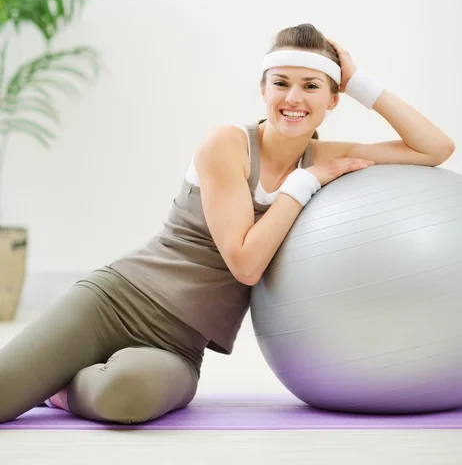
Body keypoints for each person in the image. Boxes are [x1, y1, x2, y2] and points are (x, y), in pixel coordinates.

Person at [0, 23, 455, 425]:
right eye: (281, 83)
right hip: (114, 304)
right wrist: (305, 182)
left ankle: (57, 388)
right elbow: (245, 263)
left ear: (333, 99)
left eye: (312, 86)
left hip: (178, 347)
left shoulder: (325, 155)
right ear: (263, 90)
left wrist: (361, 83)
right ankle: (45, 369)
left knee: (126, 399)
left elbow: (434, 149)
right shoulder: (228, 145)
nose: (293, 98)